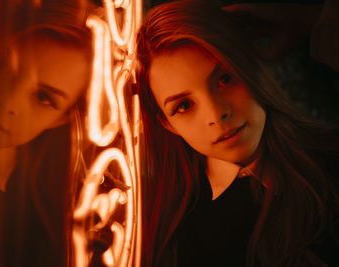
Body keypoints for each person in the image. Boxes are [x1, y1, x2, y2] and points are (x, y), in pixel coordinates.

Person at [136, 0, 339, 266]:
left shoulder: (331, 161)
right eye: (184, 106)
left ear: (249, 66)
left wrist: (311, 23)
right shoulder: (166, 235)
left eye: (225, 78)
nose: (216, 114)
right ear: (167, 123)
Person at [0, 0, 92, 266]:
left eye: (44, 98)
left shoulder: (36, 228)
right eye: (5, 67)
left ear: (61, 119)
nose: (8, 103)